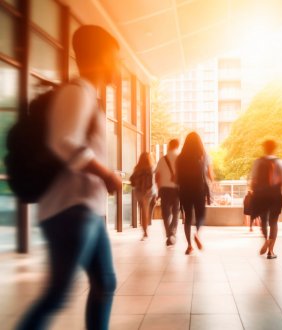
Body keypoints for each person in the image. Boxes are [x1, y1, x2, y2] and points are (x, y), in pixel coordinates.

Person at [17, 26, 122, 330]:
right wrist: (107, 175)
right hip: (70, 210)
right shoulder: (77, 92)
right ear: (103, 57)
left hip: (86, 208)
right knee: (58, 294)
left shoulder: (90, 97)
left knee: (104, 282)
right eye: (115, 58)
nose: (117, 66)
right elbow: (64, 141)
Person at [250, 140, 282, 259]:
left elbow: (253, 180)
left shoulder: (258, 162)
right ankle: (271, 251)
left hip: (261, 195)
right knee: (274, 222)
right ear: (274, 148)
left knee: (263, 220)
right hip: (275, 195)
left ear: (264, 148)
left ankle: (266, 240)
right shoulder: (281, 162)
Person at [176, 132, 213, 255]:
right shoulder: (204, 156)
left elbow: (177, 177)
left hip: (184, 190)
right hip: (199, 189)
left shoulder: (180, 158)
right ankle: (196, 233)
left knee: (187, 218)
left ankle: (189, 246)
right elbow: (210, 175)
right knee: (200, 215)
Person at [155, 139, 180, 246]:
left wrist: (159, 188)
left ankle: (169, 234)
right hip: (177, 189)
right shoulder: (180, 159)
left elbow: (157, 176)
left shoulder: (162, 159)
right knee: (176, 212)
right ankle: (172, 233)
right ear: (178, 146)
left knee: (165, 214)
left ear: (169, 146)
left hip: (164, 189)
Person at [130, 152, 157, 240]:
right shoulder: (150, 168)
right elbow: (152, 181)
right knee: (145, 211)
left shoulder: (137, 168)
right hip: (148, 191)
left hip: (138, 191)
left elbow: (132, 179)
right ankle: (145, 231)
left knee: (143, 211)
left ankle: (145, 229)